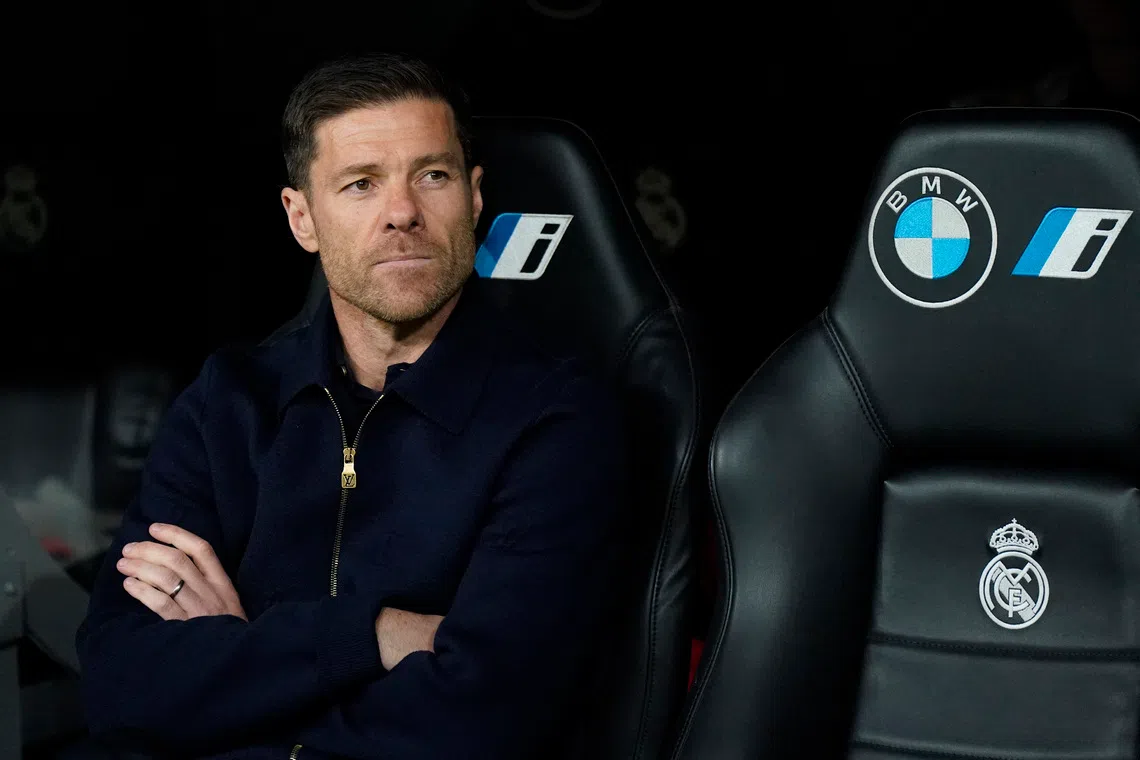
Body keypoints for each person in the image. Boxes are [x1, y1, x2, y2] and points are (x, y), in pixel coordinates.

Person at [75, 52, 626, 760]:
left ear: (476, 197)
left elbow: (483, 722)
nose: (403, 213)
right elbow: (119, 683)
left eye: (433, 175)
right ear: (301, 217)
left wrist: (236, 658)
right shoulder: (229, 400)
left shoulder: (557, 422)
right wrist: (374, 635)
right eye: (361, 184)